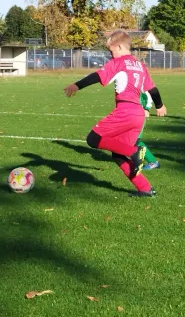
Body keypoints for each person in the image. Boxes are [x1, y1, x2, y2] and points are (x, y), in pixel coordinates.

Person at [64, 30, 167, 197]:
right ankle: (145, 188)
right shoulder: (140, 65)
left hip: (125, 111)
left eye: (111, 50)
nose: (110, 54)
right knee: (118, 155)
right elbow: (153, 90)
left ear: (119, 47)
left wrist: (77, 85)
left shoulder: (118, 63)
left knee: (93, 139)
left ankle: (134, 151)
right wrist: (160, 106)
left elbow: (97, 76)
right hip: (138, 115)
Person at [139, 91, 160, 170]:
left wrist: (147, 108)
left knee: (135, 140)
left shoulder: (140, 83)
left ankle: (153, 162)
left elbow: (148, 93)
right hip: (126, 113)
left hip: (138, 114)